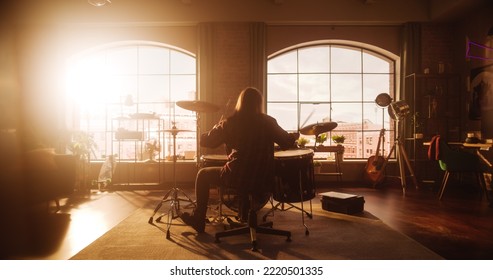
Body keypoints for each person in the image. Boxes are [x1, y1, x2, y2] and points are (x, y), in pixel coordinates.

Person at [180, 87, 298, 233]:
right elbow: (287, 142)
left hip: (237, 176)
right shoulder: (268, 122)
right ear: (259, 103)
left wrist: (217, 126)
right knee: (247, 178)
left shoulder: (230, 123)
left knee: (203, 175)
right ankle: (245, 214)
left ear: (240, 103)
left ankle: (199, 219)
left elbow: (206, 142)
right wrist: (294, 136)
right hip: (263, 178)